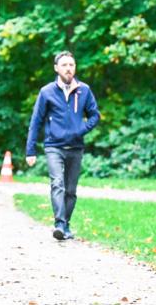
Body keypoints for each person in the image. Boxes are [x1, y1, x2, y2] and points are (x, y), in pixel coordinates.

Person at [24, 51, 101, 241]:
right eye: (65, 65)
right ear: (56, 68)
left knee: (71, 190)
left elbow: (95, 115)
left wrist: (81, 129)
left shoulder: (84, 90)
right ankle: (59, 223)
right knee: (57, 183)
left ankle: (66, 224)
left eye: (71, 65)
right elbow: (36, 121)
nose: (68, 68)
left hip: (75, 147)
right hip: (54, 146)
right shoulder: (47, 92)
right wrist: (30, 150)